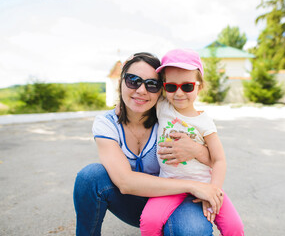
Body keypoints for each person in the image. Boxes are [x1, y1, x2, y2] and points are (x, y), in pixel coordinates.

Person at [73, 52, 224, 236]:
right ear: (121, 81)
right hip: (133, 202)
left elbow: (217, 159)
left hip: (177, 201)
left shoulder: (169, 117)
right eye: (133, 81)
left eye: (152, 85)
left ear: (161, 90)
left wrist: (197, 150)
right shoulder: (107, 123)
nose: (142, 90)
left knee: (192, 231)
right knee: (90, 177)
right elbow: (125, 182)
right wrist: (190, 185)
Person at [139, 49, 244, 236]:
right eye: (171, 87)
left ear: (199, 86)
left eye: (187, 86)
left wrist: (213, 190)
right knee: (149, 221)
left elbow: (219, 160)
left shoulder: (204, 122)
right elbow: (143, 93)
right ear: (164, 87)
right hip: (168, 185)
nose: (179, 93)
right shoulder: (163, 107)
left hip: (204, 184)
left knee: (234, 227)